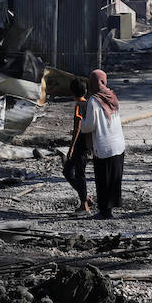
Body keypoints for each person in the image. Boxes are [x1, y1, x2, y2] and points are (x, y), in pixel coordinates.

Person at [84, 70, 125, 219]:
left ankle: (105, 211)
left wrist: (80, 123)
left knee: (102, 180)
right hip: (118, 144)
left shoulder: (93, 101)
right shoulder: (112, 96)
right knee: (114, 178)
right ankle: (111, 207)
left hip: (104, 146)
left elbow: (89, 126)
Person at [63, 79, 93, 213]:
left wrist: (72, 147)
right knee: (71, 172)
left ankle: (84, 203)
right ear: (85, 91)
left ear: (71, 92)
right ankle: (85, 197)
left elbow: (78, 128)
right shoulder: (89, 104)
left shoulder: (78, 106)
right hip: (86, 143)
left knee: (76, 173)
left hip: (80, 145)